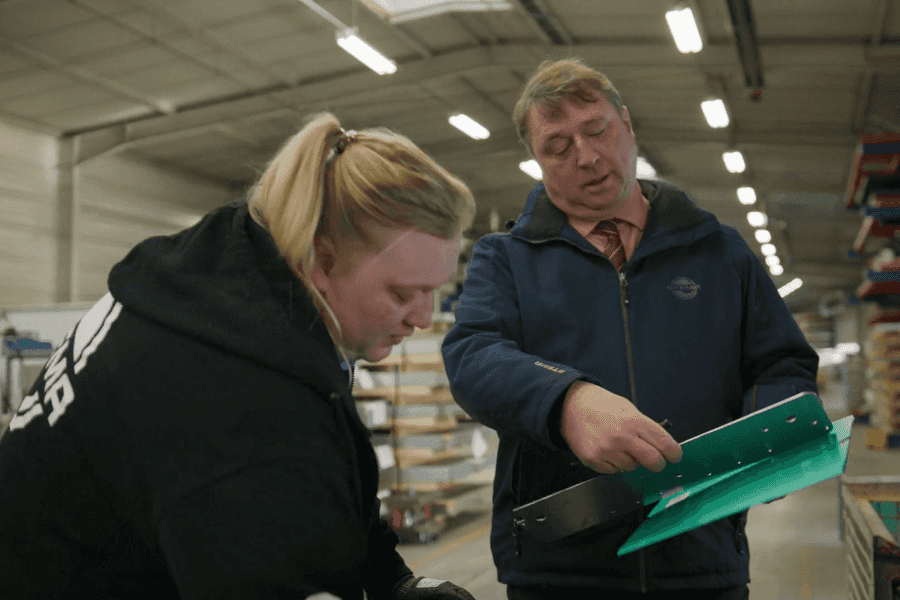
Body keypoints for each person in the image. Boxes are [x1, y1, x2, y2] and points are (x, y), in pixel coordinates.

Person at [0, 113, 479, 600]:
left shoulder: (230, 285)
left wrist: (390, 580)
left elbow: (324, 487)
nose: (422, 318)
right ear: (321, 262)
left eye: (432, 294)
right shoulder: (236, 402)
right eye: (402, 293)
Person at [441, 58, 819, 599]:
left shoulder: (718, 251)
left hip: (702, 559)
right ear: (536, 161)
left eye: (597, 131)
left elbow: (782, 362)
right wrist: (564, 401)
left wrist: (767, 436)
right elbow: (472, 356)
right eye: (558, 146)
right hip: (561, 572)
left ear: (626, 124)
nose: (587, 156)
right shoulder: (506, 258)